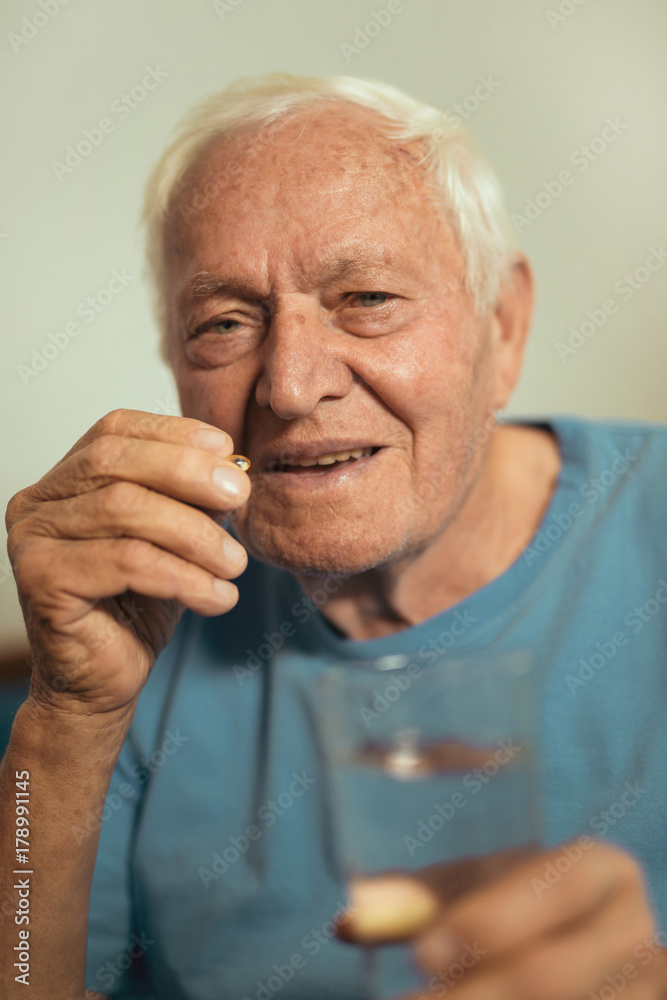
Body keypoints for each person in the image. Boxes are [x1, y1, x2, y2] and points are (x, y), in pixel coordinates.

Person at [2, 73, 666, 1000]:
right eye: (224, 323)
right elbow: (24, 974)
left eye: (366, 297)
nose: (288, 385)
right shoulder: (138, 609)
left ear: (503, 326)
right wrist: (66, 723)